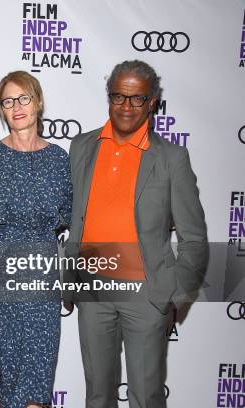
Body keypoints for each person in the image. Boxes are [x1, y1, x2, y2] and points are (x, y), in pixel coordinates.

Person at [65, 60, 208, 408]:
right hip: (93, 289)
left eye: (137, 99)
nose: (126, 107)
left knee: (145, 396)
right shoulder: (81, 146)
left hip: (146, 296)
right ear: (109, 96)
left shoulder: (172, 158)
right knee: (98, 395)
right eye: (118, 96)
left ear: (153, 101)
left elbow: (194, 239)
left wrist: (172, 297)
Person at [0, 71, 72, 408]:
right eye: (8, 101)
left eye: (24, 98)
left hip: (40, 271)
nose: (17, 106)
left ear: (38, 102)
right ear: (1, 110)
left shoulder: (59, 160)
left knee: (35, 376)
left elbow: (72, 216)